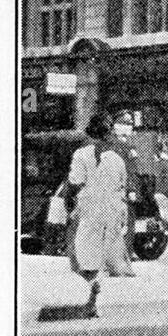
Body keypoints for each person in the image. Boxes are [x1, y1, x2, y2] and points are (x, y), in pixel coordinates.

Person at [53, 113, 129, 318]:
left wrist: (66, 200)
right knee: (99, 255)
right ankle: (92, 301)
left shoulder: (81, 154)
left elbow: (75, 181)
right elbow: (122, 189)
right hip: (111, 211)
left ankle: (93, 284)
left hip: (88, 210)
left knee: (75, 252)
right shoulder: (117, 159)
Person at [110, 110, 140, 276]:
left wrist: (133, 189)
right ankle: (117, 265)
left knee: (128, 228)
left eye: (130, 124)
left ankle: (124, 262)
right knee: (120, 227)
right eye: (125, 123)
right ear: (115, 126)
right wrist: (130, 189)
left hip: (126, 192)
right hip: (118, 192)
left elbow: (132, 170)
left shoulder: (128, 144)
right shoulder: (114, 145)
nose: (128, 127)